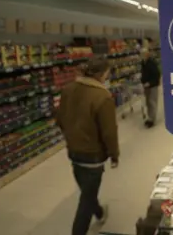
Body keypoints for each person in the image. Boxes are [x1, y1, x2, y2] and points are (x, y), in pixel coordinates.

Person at [56, 57, 120, 235]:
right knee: (86, 200)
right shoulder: (102, 96)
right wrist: (114, 154)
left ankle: (99, 213)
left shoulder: (68, 89)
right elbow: (109, 132)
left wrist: (72, 136)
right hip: (93, 155)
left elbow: (60, 119)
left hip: (74, 152)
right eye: (107, 73)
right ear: (102, 74)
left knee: (87, 191)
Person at [140, 48, 161, 128]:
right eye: (141, 54)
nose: (142, 56)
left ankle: (152, 120)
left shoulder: (152, 63)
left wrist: (150, 83)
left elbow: (157, 75)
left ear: (147, 54)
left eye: (144, 54)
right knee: (148, 103)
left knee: (152, 103)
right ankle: (149, 118)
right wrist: (142, 81)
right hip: (146, 86)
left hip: (153, 86)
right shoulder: (143, 63)